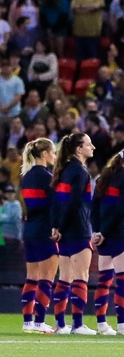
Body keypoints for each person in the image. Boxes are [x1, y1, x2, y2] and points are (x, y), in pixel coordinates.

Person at [90, 147, 124, 336]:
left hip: (103, 234)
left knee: (104, 280)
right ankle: (121, 324)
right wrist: (104, 231)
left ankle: (102, 324)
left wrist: (97, 231)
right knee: (122, 280)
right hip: (118, 233)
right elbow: (121, 209)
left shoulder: (104, 177)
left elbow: (94, 206)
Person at [50, 132, 96, 336]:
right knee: (81, 277)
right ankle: (77, 324)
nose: (93, 147)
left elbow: (57, 202)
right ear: (79, 149)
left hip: (65, 230)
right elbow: (75, 202)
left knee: (65, 277)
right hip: (78, 228)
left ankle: (61, 324)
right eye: (89, 144)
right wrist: (62, 226)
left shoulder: (63, 170)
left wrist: (56, 226)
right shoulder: (80, 171)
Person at [19, 139, 58, 334]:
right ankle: (40, 320)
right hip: (44, 230)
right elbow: (53, 206)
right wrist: (56, 227)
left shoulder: (26, 176)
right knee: (47, 278)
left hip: (29, 230)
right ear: (44, 154)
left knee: (31, 277)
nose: (55, 156)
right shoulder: (47, 177)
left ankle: (28, 321)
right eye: (53, 152)